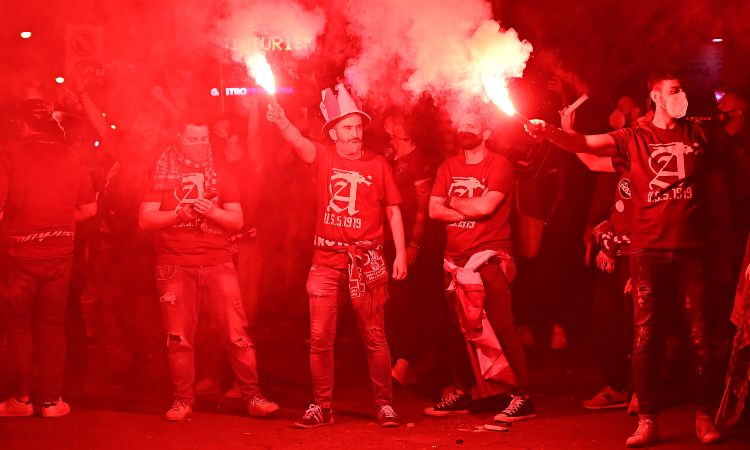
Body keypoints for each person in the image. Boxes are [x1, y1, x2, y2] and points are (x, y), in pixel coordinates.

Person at [525, 69, 723, 446]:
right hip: (647, 250)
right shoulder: (635, 138)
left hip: (691, 251)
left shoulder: (698, 133)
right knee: (645, 337)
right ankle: (648, 418)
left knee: (700, 337)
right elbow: (585, 144)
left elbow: (718, 187)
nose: (682, 95)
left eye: (682, 89)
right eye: (674, 90)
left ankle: (703, 415)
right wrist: (550, 131)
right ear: (657, 97)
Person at [266, 83, 407, 428]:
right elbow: (299, 143)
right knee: (320, 338)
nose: (355, 133)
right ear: (333, 132)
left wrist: (400, 253)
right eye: (348, 128)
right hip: (326, 261)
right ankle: (322, 406)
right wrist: (281, 121)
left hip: (368, 260)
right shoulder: (323, 156)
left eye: (358, 127)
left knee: (375, 337)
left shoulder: (378, 164)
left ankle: (385, 404)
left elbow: (392, 211)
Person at [138, 115, 277, 421]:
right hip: (175, 264)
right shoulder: (162, 175)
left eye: (204, 139)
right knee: (179, 337)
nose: (200, 145)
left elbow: (237, 220)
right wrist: (179, 214)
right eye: (194, 139)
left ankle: (253, 396)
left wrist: (212, 211)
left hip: (217, 262)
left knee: (236, 332)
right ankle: (182, 400)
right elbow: (146, 219)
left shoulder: (222, 176)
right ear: (180, 139)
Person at [425, 109, 535, 423]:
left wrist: (452, 202)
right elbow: (433, 210)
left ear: (486, 133)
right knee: (459, 331)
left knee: (502, 328)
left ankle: (523, 397)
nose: (465, 128)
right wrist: (466, 207)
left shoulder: (499, 164)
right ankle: (466, 392)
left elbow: (487, 207)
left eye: (472, 124)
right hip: (454, 262)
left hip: (489, 259)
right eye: (462, 123)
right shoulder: (448, 166)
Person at [0, 99, 97, 418]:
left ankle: (22, 399)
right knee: (52, 325)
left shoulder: (9, 154)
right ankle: (53, 401)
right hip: (60, 253)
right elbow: (88, 210)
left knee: (18, 325)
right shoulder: (72, 156)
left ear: (23, 126)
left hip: (20, 253)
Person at [382, 110, 434, 385]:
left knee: (409, 301)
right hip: (389, 240)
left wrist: (414, 243)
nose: (387, 125)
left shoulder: (418, 161)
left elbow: (424, 206)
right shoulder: (392, 157)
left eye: (393, 122)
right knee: (393, 303)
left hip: (409, 243)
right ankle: (395, 358)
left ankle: (406, 360)